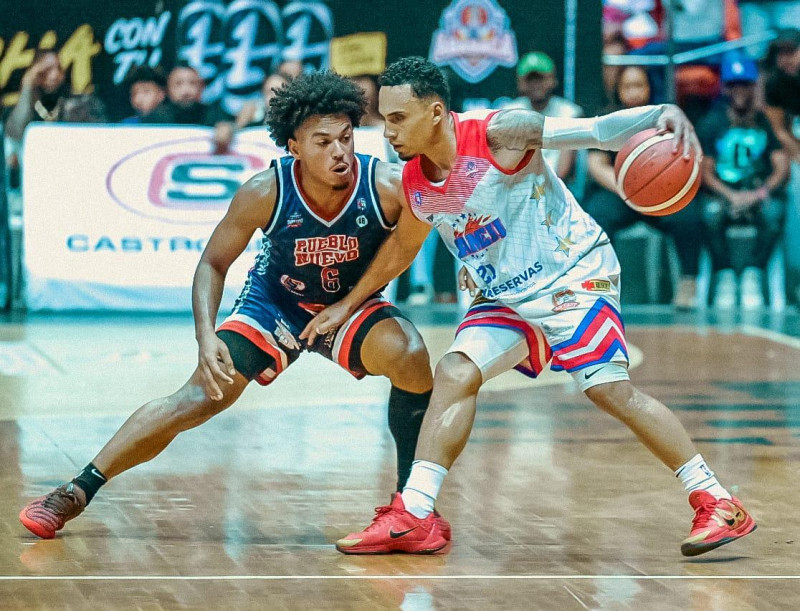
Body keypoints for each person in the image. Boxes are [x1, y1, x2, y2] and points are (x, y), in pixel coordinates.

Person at [302, 57, 756, 557]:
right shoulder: (414, 180)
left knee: (608, 389)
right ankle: (416, 512)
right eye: (384, 118)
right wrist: (348, 304)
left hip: (573, 276)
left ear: (434, 113)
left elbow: (596, 131)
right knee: (454, 372)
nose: (387, 131)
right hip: (507, 295)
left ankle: (717, 500)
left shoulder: (500, 133)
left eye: (397, 118)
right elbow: (403, 248)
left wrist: (659, 114)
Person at [18, 71, 445, 542]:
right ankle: (76, 490)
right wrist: (205, 336)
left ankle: (412, 506)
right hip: (277, 304)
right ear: (294, 147)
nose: (339, 152)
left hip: (349, 300)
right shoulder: (264, 191)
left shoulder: (386, 184)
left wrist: (346, 305)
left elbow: (404, 248)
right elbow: (213, 263)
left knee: (410, 354)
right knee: (199, 397)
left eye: (345, 137)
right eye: (323, 142)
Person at [582, 65, 704, 310]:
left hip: (659, 193)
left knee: (689, 217)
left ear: (649, 87)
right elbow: (596, 165)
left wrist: (661, 189)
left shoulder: (665, 118)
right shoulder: (606, 118)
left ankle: (688, 282)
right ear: (618, 90)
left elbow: (687, 156)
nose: (634, 91)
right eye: (628, 86)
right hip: (619, 192)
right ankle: (602, 284)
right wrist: (628, 190)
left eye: (639, 85)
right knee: (595, 216)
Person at [698, 52, 790, 309]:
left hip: (757, 192)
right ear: (725, 88)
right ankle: (724, 273)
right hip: (724, 195)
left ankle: (754, 272)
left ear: (753, 87)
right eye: (734, 84)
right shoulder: (713, 122)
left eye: (745, 84)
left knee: (775, 212)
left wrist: (759, 193)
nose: (739, 91)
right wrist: (731, 196)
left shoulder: (762, 121)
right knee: (709, 214)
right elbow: (705, 172)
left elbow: (781, 166)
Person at [504, 51, 583, 182]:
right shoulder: (509, 113)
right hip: (518, 184)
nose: (535, 85)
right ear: (520, 83)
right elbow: (506, 162)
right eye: (530, 79)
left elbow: (563, 171)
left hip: (555, 185)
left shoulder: (569, 113)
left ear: (553, 80)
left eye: (540, 78)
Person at [142, 64, 234, 153]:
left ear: (202, 87)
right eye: (178, 84)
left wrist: (227, 128)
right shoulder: (154, 119)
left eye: (192, 83)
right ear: (168, 90)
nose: (186, 91)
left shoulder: (214, 113)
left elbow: (234, 124)